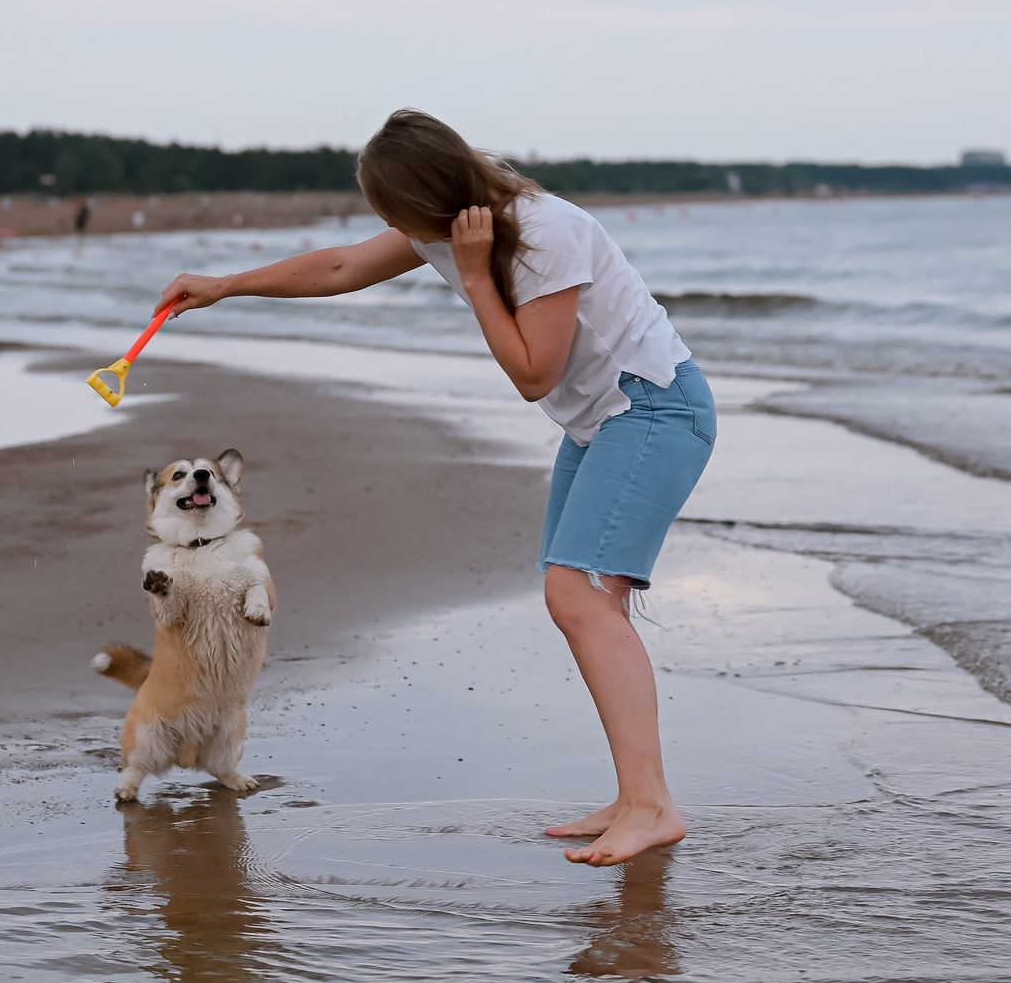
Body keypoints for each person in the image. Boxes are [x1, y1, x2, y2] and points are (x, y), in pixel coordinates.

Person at [156, 109, 714, 866]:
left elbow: (534, 374)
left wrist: (477, 277)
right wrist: (225, 285)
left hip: (653, 408)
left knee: (579, 595)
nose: (391, 228)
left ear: (428, 196)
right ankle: (637, 795)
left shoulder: (542, 232)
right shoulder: (449, 223)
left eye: (393, 212)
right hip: (605, 421)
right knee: (582, 598)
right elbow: (341, 267)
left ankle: (651, 804)